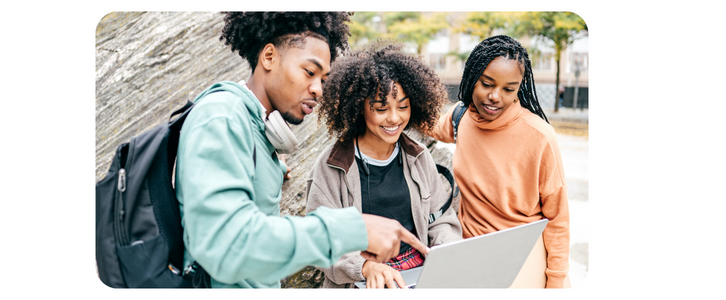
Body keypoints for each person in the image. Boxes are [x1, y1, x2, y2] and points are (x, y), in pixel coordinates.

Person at [175, 12, 427, 289]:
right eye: (309, 72)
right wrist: (353, 229)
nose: (319, 89)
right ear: (269, 57)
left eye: (323, 78)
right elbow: (226, 246)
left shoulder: (253, 131)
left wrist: (271, 168)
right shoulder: (221, 119)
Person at [306, 41, 462, 289]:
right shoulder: (331, 167)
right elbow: (319, 242)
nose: (394, 118)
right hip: (361, 279)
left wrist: (444, 251)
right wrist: (365, 268)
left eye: (403, 107)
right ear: (359, 108)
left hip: (420, 275)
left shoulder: (419, 157)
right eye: (381, 108)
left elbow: (442, 220)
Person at [429, 35, 570, 288]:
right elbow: (428, 126)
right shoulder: (462, 116)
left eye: (508, 89)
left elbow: (558, 218)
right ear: (472, 78)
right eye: (487, 84)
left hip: (522, 255)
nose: (495, 96)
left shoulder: (540, 136)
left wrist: (556, 281)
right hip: (468, 251)